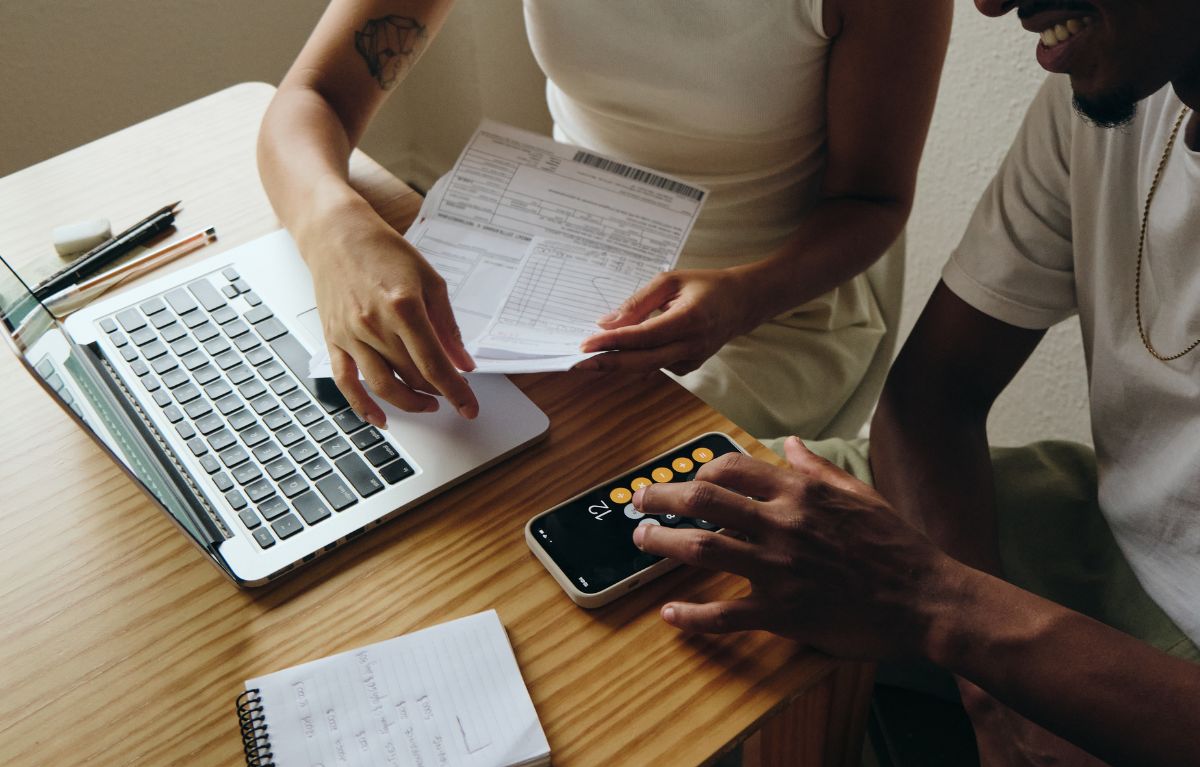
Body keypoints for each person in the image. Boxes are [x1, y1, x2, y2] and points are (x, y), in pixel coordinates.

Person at [625, 0, 1200, 767]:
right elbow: (930, 399)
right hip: (1102, 533)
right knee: (685, 534)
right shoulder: (1115, 95)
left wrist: (944, 607)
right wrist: (1001, 702)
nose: (990, 4)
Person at [258, 0, 951, 439]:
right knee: (373, 434)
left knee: (554, 487)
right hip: (553, 266)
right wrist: (335, 229)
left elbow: (872, 201)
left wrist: (743, 298)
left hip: (765, 314)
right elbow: (311, 98)